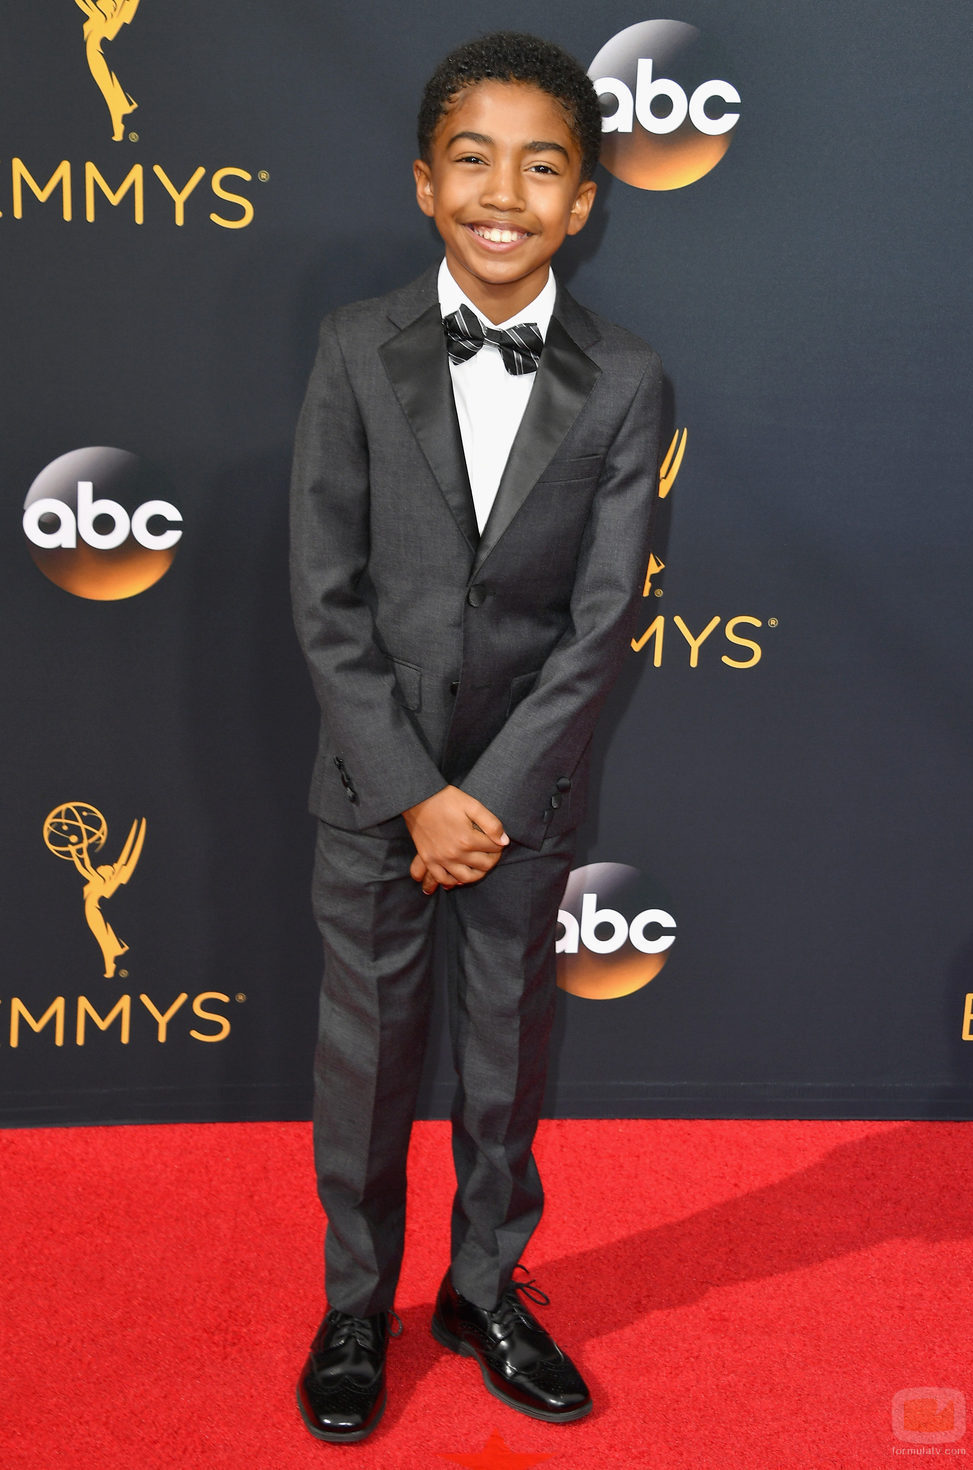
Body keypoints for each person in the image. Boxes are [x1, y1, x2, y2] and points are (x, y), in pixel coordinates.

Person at [290, 31, 663, 1444]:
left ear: (583, 204)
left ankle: (485, 1289)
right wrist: (409, 789)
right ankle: (353, 1303)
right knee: (368, 1057)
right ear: (425, 184)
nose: (504, 190)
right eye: (472, 157)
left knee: (506, 1059)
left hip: (520, 802)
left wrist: (488, 796)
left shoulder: (626, 380)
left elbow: (601, 616)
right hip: (369, 791)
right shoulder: (350, 349)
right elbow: (323, 597)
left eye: (543, 165)